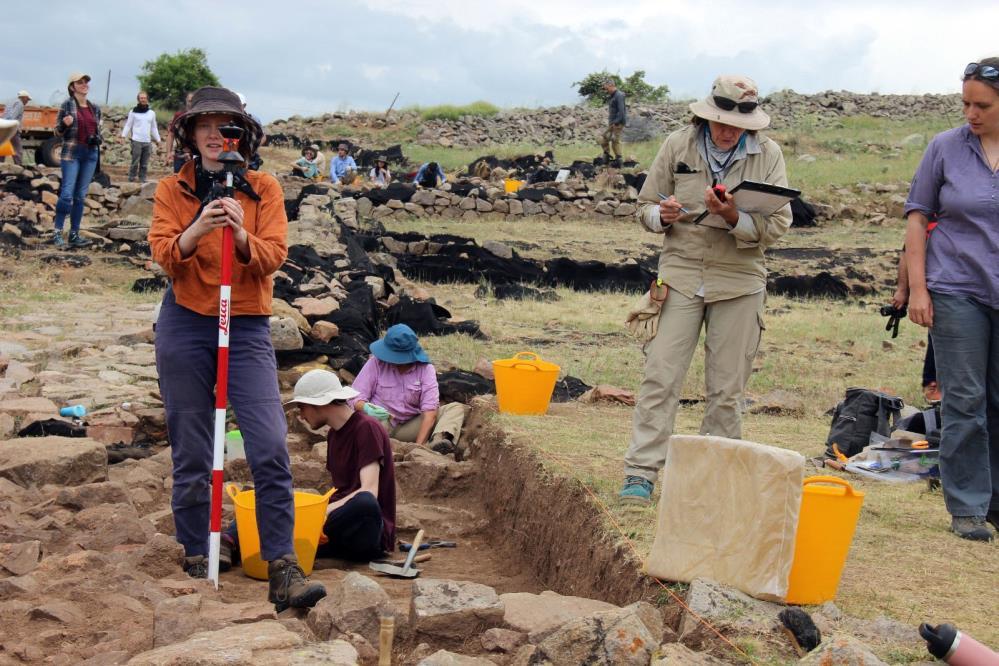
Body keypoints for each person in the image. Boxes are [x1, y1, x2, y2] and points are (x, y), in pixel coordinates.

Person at [148, 86, 327, 609]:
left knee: (270, 445)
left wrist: (242, 234)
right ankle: (196, 551)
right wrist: (199, 225)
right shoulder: (171, 189)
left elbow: (272, 256)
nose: (214, 135)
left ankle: (283, 566)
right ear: (189, 134)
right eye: (204, 125)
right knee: (194, 448)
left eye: (225, 126)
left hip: (245, 324)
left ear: (241, 135)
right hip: (185, 321)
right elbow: (165, 255)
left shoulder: (263, 187)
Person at [619, 74, 791, 505]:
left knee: (727, 389)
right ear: (706, 114)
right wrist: (663, 213)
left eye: (738, 124)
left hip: (739, 280)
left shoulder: (769, 155)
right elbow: (643, 208)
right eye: (721, 121)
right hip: (679, 273)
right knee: (660, 375)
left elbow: (778, 225)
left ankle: (709, 481)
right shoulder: (679, 144)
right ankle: (641, 472)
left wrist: (734, 218)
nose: (728, 130)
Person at [904, 59, 999, 542]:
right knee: (965, 399)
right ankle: (967, 506)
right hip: (956, 286)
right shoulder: (945, 147)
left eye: (982, 105)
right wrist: (917, 288)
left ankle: (995, 501)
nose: (971, 113)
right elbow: (917, 217)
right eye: (965, 103)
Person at [288, 369, 396, 561]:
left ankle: (299, 538)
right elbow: (342, 489)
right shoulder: (333, 434)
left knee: (365, 502)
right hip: (339, 526)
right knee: (276, 502)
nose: (301, 416)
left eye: (302, 407)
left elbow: (369, 491)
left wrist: (324, 512)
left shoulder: (366, 427)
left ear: (319, 403)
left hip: (364, 529)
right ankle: (232, 541)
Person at [349, 324, 468, 455]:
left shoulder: (426, 370)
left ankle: (437, 441)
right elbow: (354, 397)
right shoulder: (375, 363)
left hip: (409, 427)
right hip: (380, 423)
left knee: (455, 408)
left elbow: (430, 413)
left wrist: (417, 448)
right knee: (366, 421)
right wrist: (367, 408)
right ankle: (378, 449)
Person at [52, 72, 102, 249]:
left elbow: (98, 131)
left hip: (90, 155)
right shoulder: (67, 104)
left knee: (80, 196)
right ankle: (57, 232)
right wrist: (64, 124)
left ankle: (74, 234)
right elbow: (57, 132)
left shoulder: (94, 107)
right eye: (80, 82)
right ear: (72, 87)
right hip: (71, 154)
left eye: (86, 81)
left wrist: (98, 139)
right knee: (67, 194)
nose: (84, 84)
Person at [891, 233, 940, 403]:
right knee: (939, 331)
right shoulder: (932, 216)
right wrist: (903, 290)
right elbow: (909, 250)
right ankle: (934, 382)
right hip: (942, 285)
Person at [121, 91, 161, 183]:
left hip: (147, 141)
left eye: (144, 98)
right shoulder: (133, 112)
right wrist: (123, 136)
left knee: (144, 163)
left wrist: (158, 140)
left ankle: (142, 179)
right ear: (138, 99)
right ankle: (131, 177)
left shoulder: (151, 113)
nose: (143, 99)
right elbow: (128, 125)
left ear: (147, 99)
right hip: (136, 140)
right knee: (135, 161)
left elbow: (154, 128)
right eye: (141, 98)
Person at [164, 92, 194, 173]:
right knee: (178, 180)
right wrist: (168, 153)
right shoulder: (179, 116)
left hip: (196, 154)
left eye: (193, 101)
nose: (190, 103)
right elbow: (171, 134)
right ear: (186, 101)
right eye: (189, 101)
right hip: (180, 154)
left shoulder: (200, 117)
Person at [599, 79, 626, 168]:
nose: (605, 90)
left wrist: (617, 122)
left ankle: (619, 163)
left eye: (606, 88)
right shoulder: (612, 96)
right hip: (612, 124)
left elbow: (621, 111)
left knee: (615, 142)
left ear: (611, 85)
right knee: (603, 139)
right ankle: (606, 159)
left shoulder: (619, 95)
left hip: (617, 123)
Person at [0, 90, 30, 165]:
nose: (28, 101)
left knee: (3, 147)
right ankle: (19, 167)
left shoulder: (10, 103)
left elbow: (4, 115)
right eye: (27, 99)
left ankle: (0, 165)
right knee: (17, 149)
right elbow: (13, 116)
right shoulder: (20, 104)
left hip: (4, 128)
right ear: (24, 97)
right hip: (12, 129)